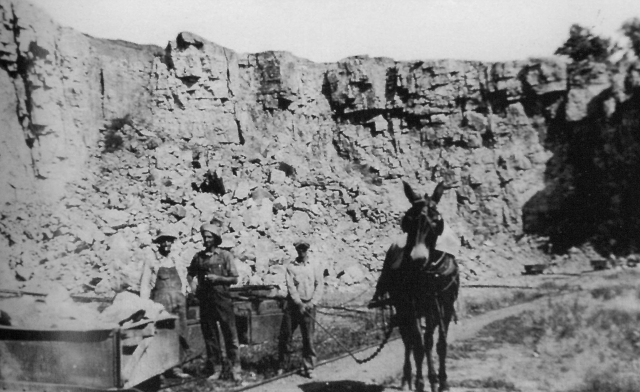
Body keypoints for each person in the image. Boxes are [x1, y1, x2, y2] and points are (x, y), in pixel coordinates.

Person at [187, 223, 240, 381]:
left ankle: (235, 368)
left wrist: (218, 278)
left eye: (209, 237)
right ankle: (215, 368)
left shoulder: (225, 256)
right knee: (210, 336)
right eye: (204, 236)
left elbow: (234, 278)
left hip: (223, 299)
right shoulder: (199, 257)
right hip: (206, 301)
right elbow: (190, 274)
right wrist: (193, 287)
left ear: (216, 239)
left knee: (230, 334)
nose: (206, 239)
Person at [139, 227, 190, 379]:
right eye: (163, 240)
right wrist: (145, 305)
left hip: (178, 304)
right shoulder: (151, 260)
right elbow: (145, 284)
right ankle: (158, 369)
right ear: (159, 243)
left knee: (179, 333)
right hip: (160, 304)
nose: (167, 243)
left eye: (169, 240)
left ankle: (176, 368)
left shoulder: (176, 260)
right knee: (159, 335)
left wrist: (184, 296)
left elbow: (183, 279)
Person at [278, 240, 324, 379]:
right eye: (299, 249)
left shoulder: (315, 265)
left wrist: (312, 303)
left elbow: (319, 285)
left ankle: (309, 367)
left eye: (304, 249)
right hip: (293, 307)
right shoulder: (291, 267)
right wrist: (299, 303)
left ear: (307, 250)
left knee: (308, 338)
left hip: (309, 306)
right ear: (296, 250)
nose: (301, 251)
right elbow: (291, 287)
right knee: (285, 336)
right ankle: (282, 366)